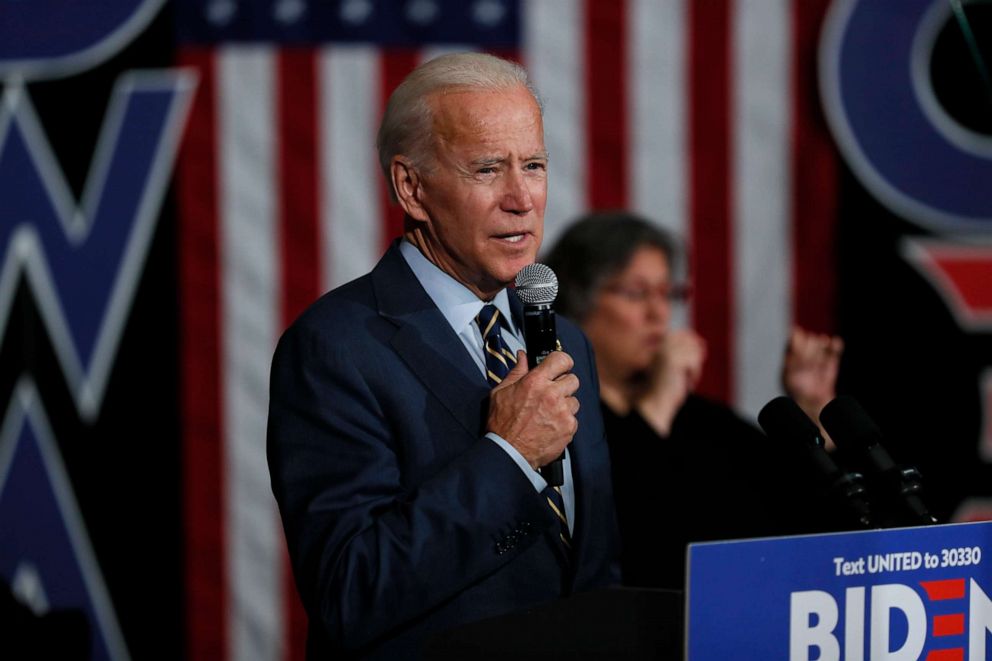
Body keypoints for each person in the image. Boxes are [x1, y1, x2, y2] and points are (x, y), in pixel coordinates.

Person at [266, 54, 619, 659]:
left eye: (533, 165)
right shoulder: (335, 347)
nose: (522, 198)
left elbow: (590, 564)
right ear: (412, 187)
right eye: (487, 168)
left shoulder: (567, 340)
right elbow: (349, 591)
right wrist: (508, 457)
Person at [544, 211, 843, 589]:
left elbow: (791, 514)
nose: (660, 313)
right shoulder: (555, 417)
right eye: (637, 293)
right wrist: (658, 404)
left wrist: (814, 426)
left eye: (668, 294)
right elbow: (620, 527)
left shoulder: (702, 421)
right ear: (576, 299)